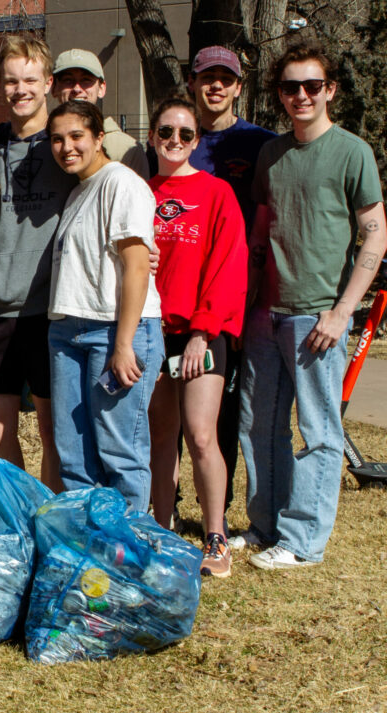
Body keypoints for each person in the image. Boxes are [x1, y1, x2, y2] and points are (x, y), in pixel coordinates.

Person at [238, 40, 387, 568]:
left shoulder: (353, 152)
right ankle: (266, 525)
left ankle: (304, 543)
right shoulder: (272, 154)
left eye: (311, 86)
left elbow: (375, 236)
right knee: (259, 424)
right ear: (279, 94)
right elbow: (261, 234)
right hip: (266, 314)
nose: (301, 95)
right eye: (290, 87)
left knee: (318, 430)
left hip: (318, 314)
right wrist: (250, 303)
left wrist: (343, 310)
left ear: (330, 91)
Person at [0, 34, 76, 492]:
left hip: (50, 310)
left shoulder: (65, 146)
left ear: (48, 83)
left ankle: (49, 519)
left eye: (30, 79)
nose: (20, 89)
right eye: (11, 81)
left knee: (53, 431)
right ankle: (19, 515)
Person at [145, 95, 247, 577]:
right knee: (160, 439)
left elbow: (228, 267)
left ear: (196, 141)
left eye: (186, 135)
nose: (175, 142)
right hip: (152, 331)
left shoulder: (216, 193)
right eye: (166, 132)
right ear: (152, 137)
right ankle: (160, 532)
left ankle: (215, 536)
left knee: (201, 435)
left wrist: (202, 334)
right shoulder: (140, 191)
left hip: (201, 334)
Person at [46, 100, 163, 514]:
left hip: (113, 331)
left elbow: (136, 267)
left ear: (99, 137)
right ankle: (87, 546)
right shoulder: (79, 190)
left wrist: (124, 344)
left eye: (76, 136)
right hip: (66, 331)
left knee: (119, 451)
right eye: (57, 139)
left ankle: (126, 550)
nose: (66, 147)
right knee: (74, 454)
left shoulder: (122, 184)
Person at [186, 46, 277, 523]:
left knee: (225, 411)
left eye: (226, 78)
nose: (215, 86)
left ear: (239, 87)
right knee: (176, 410)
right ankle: (171, 500)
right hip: (181, 297)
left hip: (236, 297)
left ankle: (214, 515)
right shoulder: (179, 137)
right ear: (192, 83)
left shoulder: (260, 144)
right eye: (207, 78)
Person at [51, 48, 149, 178]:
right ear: (54, 88)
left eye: (86, 80)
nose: (77, 88)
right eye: (68, 80)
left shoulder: (126, 149)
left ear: (101, 88)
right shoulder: (43, 146)